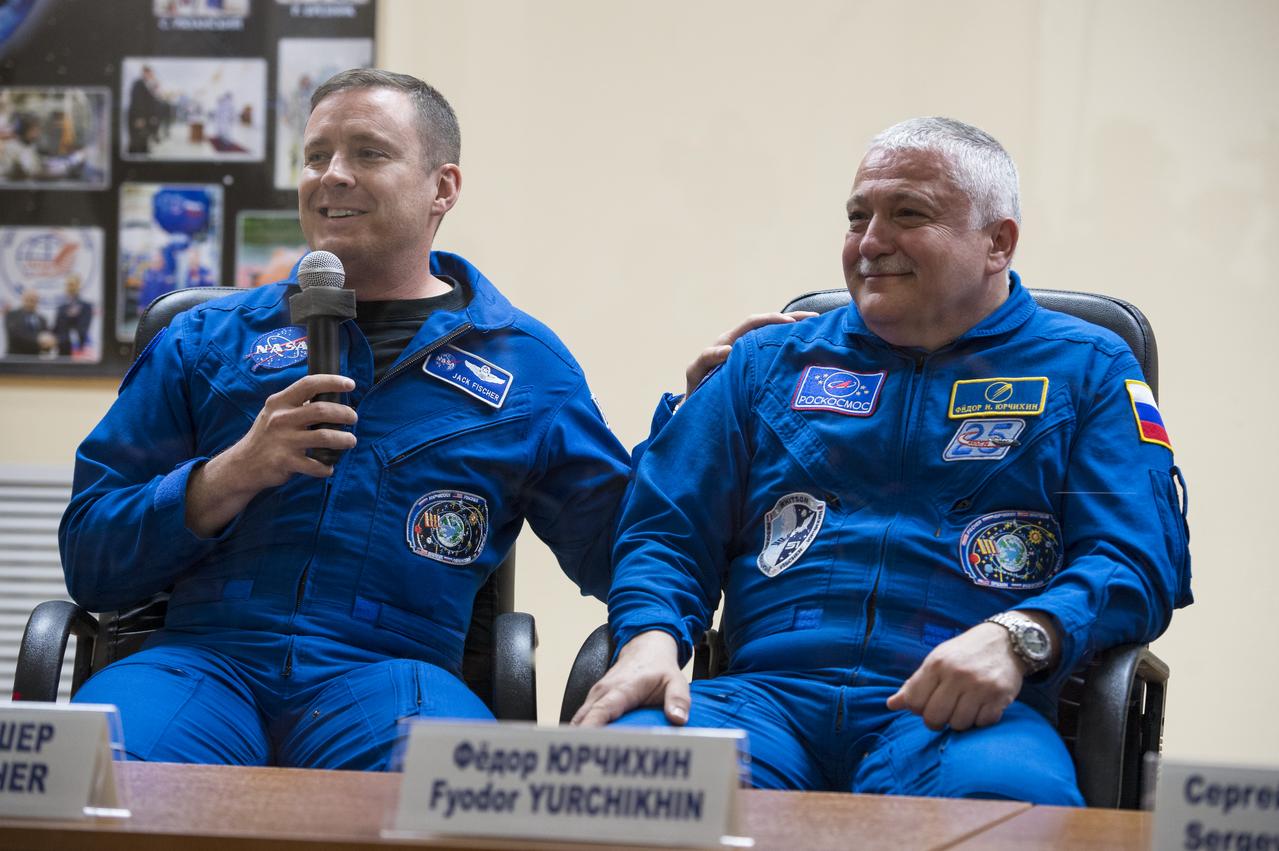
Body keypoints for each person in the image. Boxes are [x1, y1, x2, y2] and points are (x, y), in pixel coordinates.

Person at [62, 68, 801, 770]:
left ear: (442, 187)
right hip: (203, 662)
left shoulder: (525, 368)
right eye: (315, 155)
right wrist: (231, 472)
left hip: (389, 675)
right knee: (98, 774)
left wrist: (698, 425)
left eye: (368, 153)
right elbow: (90, 558)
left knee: (455, 791)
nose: (331, 175)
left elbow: (626, 545)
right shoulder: (207, 342)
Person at [573, 117, 1192, 806]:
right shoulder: (767, 362)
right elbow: (664, 529)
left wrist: (1021, 636)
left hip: (956, 715)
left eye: (907, 214)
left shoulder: (1089, 369)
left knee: (1011, 811)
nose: (870, 242)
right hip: (762, 703)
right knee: (616, 783)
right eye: (856, 215)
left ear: (998, 242)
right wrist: (650, 639)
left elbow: (1136, 557)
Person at [5, 288, 55, 356]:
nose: (31, 301)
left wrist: (49, 343)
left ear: (38, 301)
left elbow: (46, 342)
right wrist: (38, 340)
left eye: (34, 299)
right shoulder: (12, 315)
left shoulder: (42, 319)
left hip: (35, 361)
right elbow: (15, 336)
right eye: (28, 298)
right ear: (23, 298)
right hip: (15, 360)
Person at [53, 274, 93, 356]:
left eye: (72, 285)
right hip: (62, 351)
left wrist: (72, 316)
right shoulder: (61, 308)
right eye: (67, 285)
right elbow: (57, 328)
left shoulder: (86, 306)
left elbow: (83, 329)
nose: (69, 287)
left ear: (78, 286)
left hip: (79, 351)